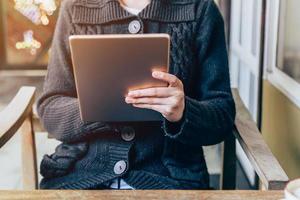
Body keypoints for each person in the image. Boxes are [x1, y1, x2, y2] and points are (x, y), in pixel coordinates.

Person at [37, 0, 236, 189]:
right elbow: (50, 110)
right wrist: (97, 107)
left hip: (170, 180)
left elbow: (222, 116)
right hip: (80, 176)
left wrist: (183, 112)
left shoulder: (200, 9)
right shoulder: (75, 7)